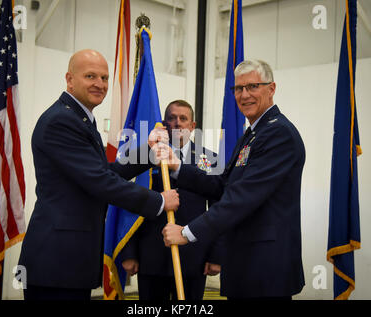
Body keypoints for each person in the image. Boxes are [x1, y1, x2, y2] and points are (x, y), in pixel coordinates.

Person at [18, 49, 179, 300]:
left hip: (67, 260)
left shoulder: (79, 117)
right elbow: (101, 181)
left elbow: (103, 171)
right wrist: (158, 201)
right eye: (90, 76)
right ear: (69, 79)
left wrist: (148, 152)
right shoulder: (62, 121)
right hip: (56, 261)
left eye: (104, 78)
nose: (100, 84)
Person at [160, 60, 306, 300]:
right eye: (238, 89)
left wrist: (187, 233)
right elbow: (222, 186)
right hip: (245, 263)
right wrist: (177, 167)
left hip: (265, 268)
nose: (244, 95)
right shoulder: (251, 134)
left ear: (271, 89)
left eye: (253, 86)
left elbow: (241, 199)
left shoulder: (278, 133)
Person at [120, 100, 223, 300]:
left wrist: (216, 255)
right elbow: (129, 202)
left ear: (192, 126)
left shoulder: (210, 160)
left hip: (194, 257)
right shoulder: (145, 158)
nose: (177, 123)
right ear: (164, 125)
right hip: (150, 256)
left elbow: (219, 208)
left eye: (183, 118)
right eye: (171, 118)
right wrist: (129, 252)